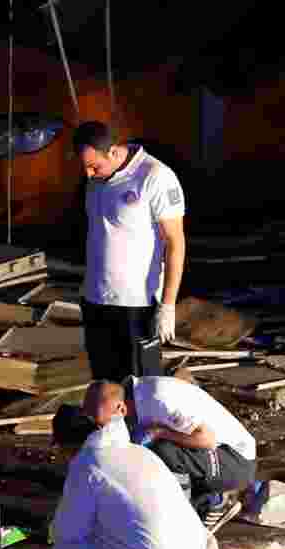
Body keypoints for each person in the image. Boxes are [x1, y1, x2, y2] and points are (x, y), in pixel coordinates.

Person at [47, 410, 219, 549]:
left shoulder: (87, 465)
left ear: (68, 446)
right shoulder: (141, 452)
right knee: (137, 539)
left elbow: (68, 533)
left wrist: (51, 528)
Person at [73, 121, 187, 382]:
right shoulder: (96, 180)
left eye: (94, 166)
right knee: (104, 387)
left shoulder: (155, 176)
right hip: (96, 300)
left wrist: (168, 305)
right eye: (84, 167)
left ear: (113, 152)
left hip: (136, 304)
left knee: (141, 387)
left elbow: (175, 243)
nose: (89, 174)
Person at [79, 377, 259, 532]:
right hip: (213, 455)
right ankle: (203, 496)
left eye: (104, 425)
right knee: (147, 453)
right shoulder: (134, 396)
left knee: (164, 452)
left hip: (237, 460)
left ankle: (198, 513)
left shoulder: (161, 400)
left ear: (122, 410)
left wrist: (160, 432)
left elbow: (207, 440)